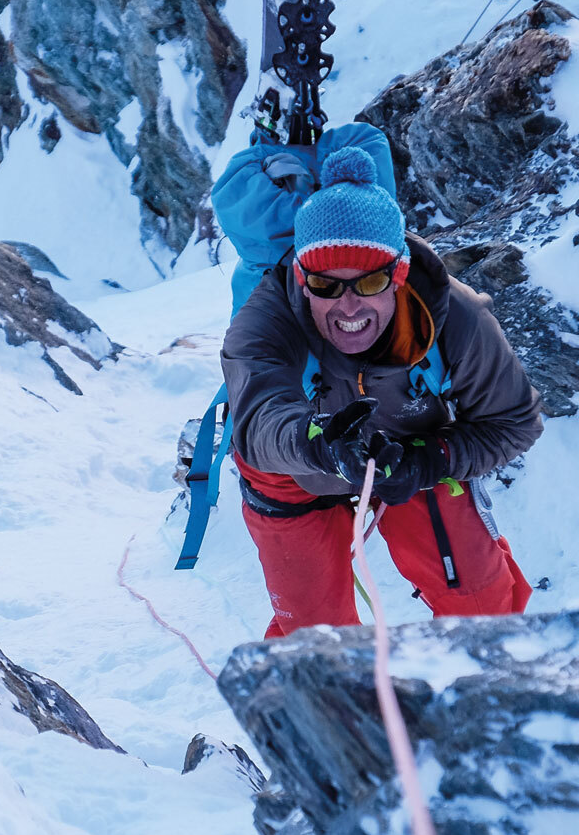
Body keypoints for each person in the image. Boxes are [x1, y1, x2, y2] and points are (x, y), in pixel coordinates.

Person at [216, 131, 542, 638]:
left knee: (483, 613)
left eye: (369, 282)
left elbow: (514, 422)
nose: (348, 306)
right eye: (326, 285)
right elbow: (257, 423)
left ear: (399, 275)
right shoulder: (265, 319)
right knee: (315, 642)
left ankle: (477, 699)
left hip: (412, 450)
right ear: (302, 280)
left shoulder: (456, 319)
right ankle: (331, 713)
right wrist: (319, 445)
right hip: (294, 470)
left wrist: (432, 460)